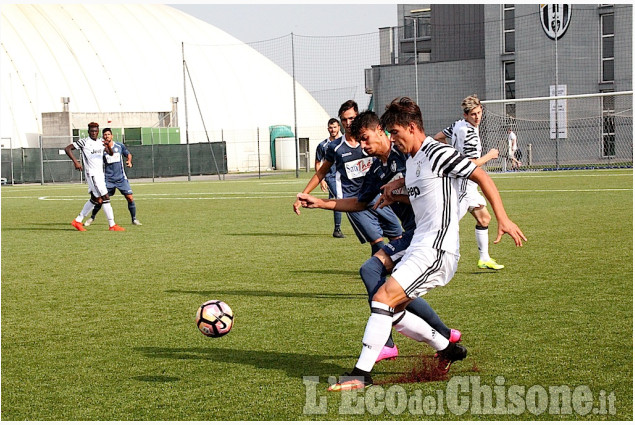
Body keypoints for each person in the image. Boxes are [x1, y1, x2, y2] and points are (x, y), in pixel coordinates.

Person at [327, 97, 526, 391]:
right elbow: (419, 187)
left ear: (410, 127)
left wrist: (503, 218)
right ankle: (447, 347)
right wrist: (397, 187)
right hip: (419, 244)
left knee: (382, 298)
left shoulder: (437, 153)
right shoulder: (413, 159)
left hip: (437, 249)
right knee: (391, 310)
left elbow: (480, 174)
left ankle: (361, 374)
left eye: (394, 132)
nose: (392, 139)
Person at [297, 110, 462, 363]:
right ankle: (442, 334)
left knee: (376, 275)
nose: (363, 147)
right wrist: (320, 203)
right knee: (387, 283)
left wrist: (397, 193)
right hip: (412, 234)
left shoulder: (408, 154)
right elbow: (361, 203)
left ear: (380, 131)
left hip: (427, 235)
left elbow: (429, 192)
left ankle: (391, 340)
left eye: (365, 139)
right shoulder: (377, 169)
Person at [293, 100, 403, 256]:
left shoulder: (375, 144)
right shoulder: (335, 147)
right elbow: (321, 172)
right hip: (354, 201)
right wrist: (304, 194)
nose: (348, 123)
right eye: (344, 119)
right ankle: (379, 274)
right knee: (377, 242)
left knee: (397, 236)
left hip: (378, 196)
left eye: (351, 118)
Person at [433, 94, 504, 270]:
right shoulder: (470, 133)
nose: (477, 117)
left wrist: (452, 152)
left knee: (484, 218)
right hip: (464, 183)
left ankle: (484, 258)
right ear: (466, 115)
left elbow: (438, 137)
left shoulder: (458, 124)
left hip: (466, 183)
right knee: (448, 223)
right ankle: (432, 257)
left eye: (479, 112)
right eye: (473, 114)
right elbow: (470, 164)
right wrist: (490, 155)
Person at [65, 122, 125, 232]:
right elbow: (67, 148)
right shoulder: (84, 142)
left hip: (100, 174)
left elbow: (110, 154)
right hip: (92, 174)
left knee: (95, 199)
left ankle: (77, 221)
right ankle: (112, 225)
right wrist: (76, 162)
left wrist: (108, 146)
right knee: (105, 197)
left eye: (95, 131)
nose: (93, 132)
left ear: (98, 131)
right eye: (91, 131)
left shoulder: (100, 142)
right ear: (88, 131)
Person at [84, 128, 142, 226]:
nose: (107, 136)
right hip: (108, 179)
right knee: (100, 200)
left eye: (108, 134)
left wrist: (129, 161)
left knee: (130, 198)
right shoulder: (101, 148)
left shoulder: (119, 146)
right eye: (105, 135)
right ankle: (92, 218)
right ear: (103, 137)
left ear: (112, 136)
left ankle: (134, 219)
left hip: (121, 178)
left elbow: (128, 154)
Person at [315, 118, 344, 238]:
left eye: (335, 127)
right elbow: (317, 163)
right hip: (331, 177)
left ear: (339, 128)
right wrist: (321, 180)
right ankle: (337, 229)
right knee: (338, 199)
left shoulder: (344, 142)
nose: (333, 130)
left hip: (344, 177)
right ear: (328, 129)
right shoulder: (323, 145)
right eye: (331, 128)